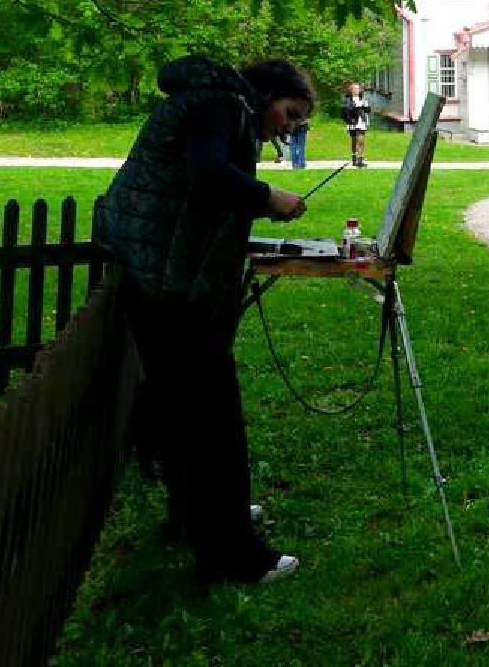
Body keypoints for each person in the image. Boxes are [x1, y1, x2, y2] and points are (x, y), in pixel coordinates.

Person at [95, 56, 311, 584]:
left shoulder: (216, 103)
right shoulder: (218, 105)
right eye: (289, 113)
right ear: (266, 95)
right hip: (165, 282)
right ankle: (235, 555)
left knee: (187, 411)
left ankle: (202, 518)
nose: (288, 127)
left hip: (163, 276)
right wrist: (267, 198)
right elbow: (208, 176)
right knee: (211, 417)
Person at [341, 82, 371, 167]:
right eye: (355, 89)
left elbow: (368, 110)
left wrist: (366, 107)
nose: (357, 90)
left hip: (361, 122)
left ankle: (360, 158)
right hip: (353, 122)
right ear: (351, 90)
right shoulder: (348, 100)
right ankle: (354, 157)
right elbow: (345, 111)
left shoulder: (363, 99)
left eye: (358, 89)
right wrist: (354, 110)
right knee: (354, 140)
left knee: (361, 140)